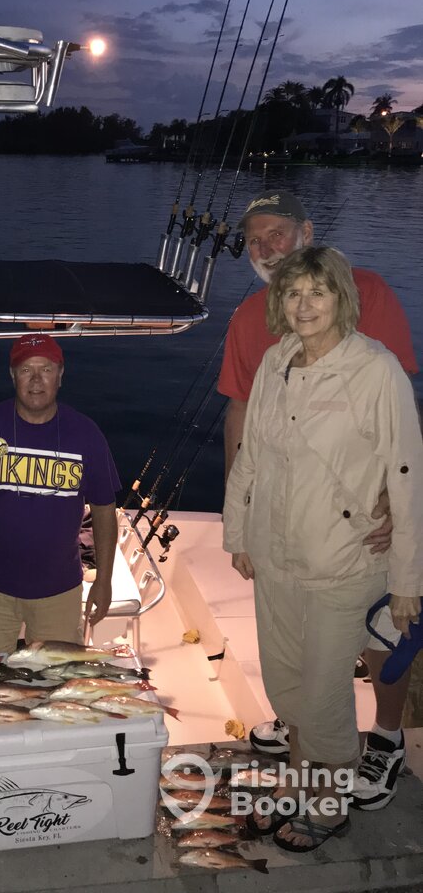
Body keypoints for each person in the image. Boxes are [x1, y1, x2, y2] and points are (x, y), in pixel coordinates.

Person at [218, 190, 419, 809]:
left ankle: (366, 756)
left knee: (347, 666)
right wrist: (238, 526)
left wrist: (405, 566)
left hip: (345, 548)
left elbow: (402, 454)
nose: (266, 248)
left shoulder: (373, 341)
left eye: (276, 233)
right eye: (254, 239)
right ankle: (303, 763)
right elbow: (247, 436)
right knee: (289, 674)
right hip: (279, 544)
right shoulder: (267, 349)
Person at [0, 334, 120, 654]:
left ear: (60, 375)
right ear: (13, 376)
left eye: (46, 369)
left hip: (59, 590)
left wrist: (104, 580)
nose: (36, 380)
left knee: (57, 680)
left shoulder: (86, 435)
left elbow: (105, 511)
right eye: (26, 370)